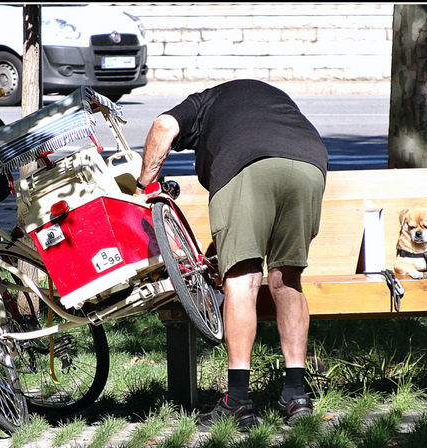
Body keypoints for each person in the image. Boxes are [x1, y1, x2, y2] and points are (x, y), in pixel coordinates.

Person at [135, 79, 328, 429]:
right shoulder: (264, 98)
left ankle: (237, 400)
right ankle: (296, 395)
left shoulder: (201, 103)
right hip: (309, 163)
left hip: (246, 165)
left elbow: (163, 125)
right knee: (287, 279)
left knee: (242, 280)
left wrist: (143, 187)